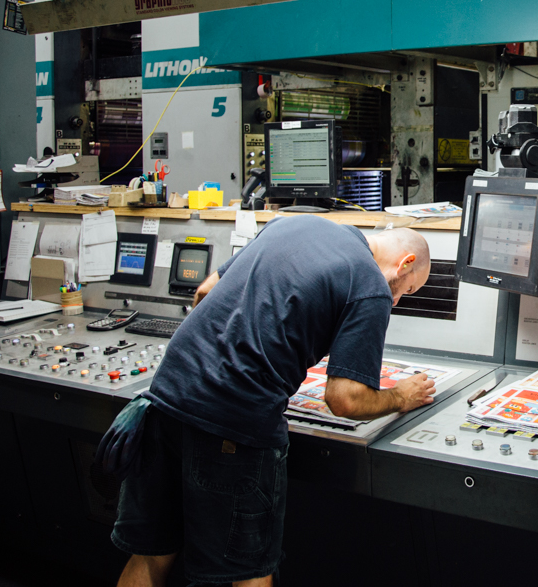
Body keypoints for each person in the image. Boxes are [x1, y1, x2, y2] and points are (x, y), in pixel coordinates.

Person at [107, 217, 436, 587]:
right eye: (407, 289)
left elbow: (205, 291)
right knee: (249, 572)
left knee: (151, 554)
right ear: (405, 263)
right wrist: (400, 396)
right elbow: (345, 400)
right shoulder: (370, 285)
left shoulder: (293, 224)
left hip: (165, 396)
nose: (397, 299)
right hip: (232, 424)